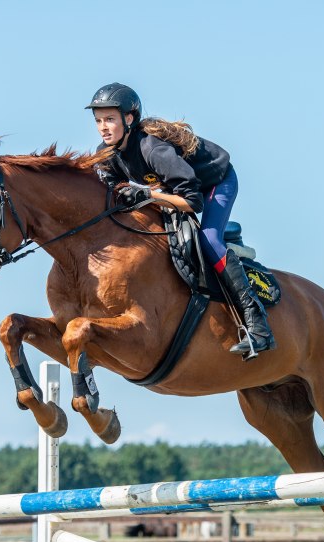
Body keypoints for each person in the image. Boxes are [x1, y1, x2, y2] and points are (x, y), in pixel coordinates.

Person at [85, 82, 275, 358]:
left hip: (213, 184)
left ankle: (257, 324)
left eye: (110, 119)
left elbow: (192, 202)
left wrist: (149, 195)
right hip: (172, 189)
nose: (103, 127)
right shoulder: (106, 155)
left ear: (129, 119)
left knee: (208, 240)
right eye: (98, 121)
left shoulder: (152, 149)